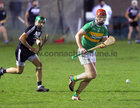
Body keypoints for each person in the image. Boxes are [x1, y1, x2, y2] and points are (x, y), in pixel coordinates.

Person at [0, 16, 49, 92]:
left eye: (43, 23)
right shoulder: (32, 27)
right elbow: (21, 38)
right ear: (36, 22)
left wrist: (39, 44)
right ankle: (2, 71)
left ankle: (39, 86)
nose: (42, 24)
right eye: (40, 22)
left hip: (29, 51)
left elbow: (37, 38)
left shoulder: (40, 30)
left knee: (39, 65)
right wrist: (30, 48)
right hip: (21, 50)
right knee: (19, 71)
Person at [69, 9, 108, 100]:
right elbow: (77, 35)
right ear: (97, 17)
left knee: (90, 76)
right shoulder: (89, 25)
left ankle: (76, 95)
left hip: (92, 52)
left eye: (104, 18)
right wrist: (81, 48)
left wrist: (104, 44)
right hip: (83, 52)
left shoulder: (104, 28)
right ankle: (73, 78)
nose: (102, 19)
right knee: (93, 74)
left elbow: (105, 41)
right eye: (100, 17)